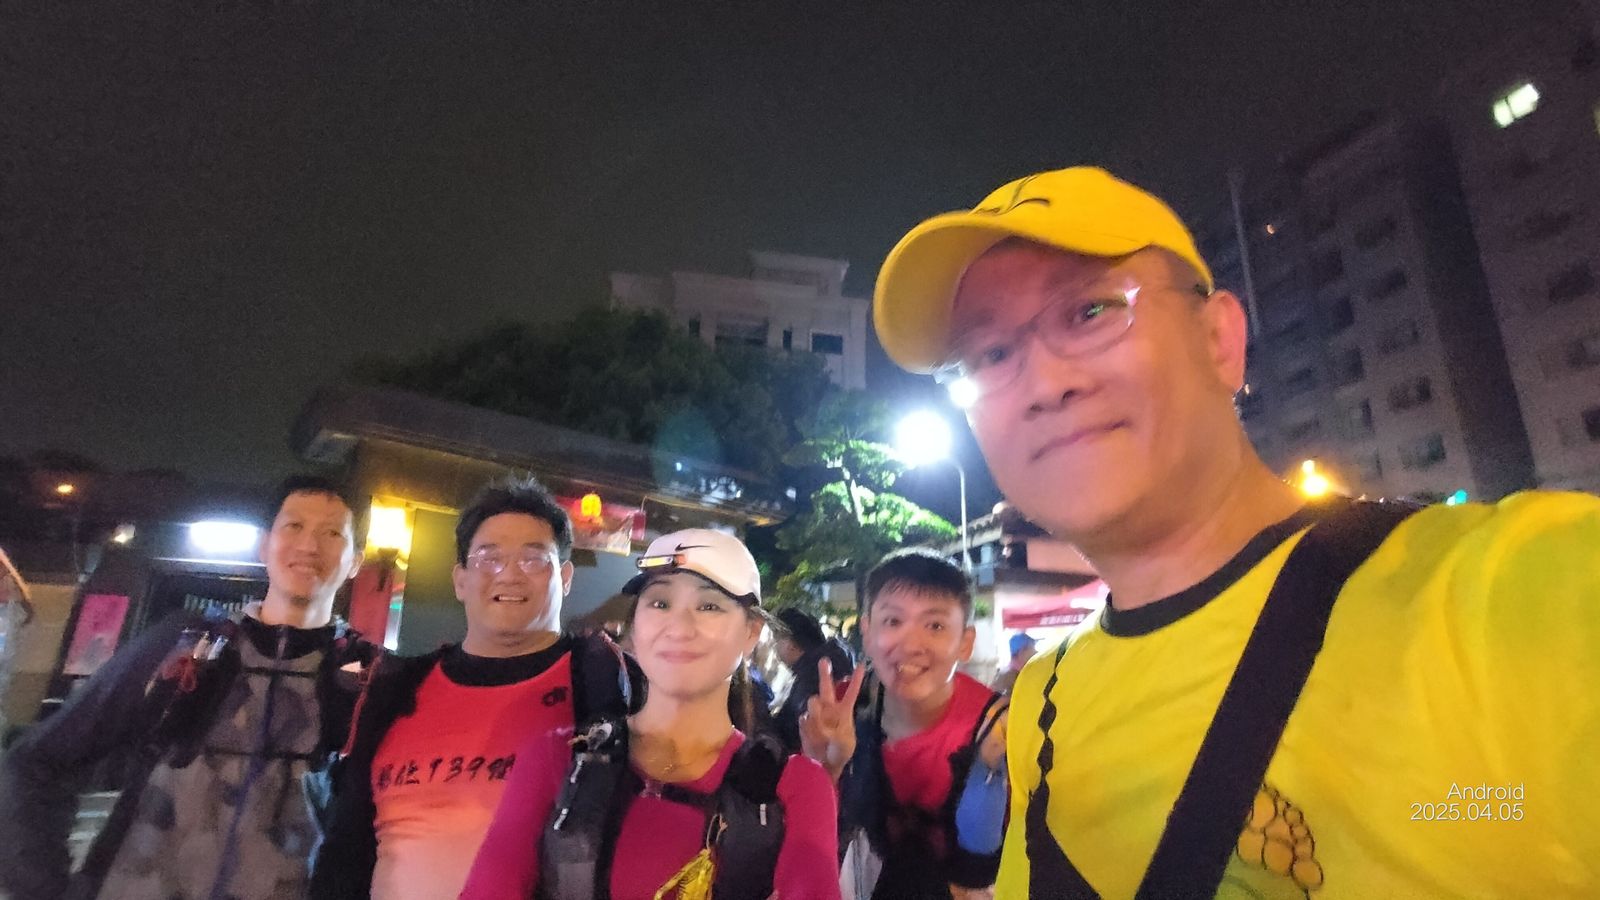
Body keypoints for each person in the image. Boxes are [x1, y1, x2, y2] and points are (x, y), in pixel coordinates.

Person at [872, 165, 1600, 896]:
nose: (1045, 383)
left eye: (1091, 311)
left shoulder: (1514, 599)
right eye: (991, 356)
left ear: (1220, 339)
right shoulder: (1042, 703)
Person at [0, 474, 377, 900]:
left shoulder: (368, 679)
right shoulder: (184, 645)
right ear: (264, 546)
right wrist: (46, 888)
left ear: (355, 561)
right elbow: (37, 762)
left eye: (332, 533)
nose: (309, 546)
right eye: (294, 526)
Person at [460, 528, 844, 900]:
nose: (679, 626)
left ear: (751, 633)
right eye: (660, 603)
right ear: (635, 626)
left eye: (709, 606)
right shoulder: (558, 758)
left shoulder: (794, 787)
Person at [311, 475, 641, 900]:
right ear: (460, 580)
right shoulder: (396, 688)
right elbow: (345, 849)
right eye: (489, 558)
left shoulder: (604, 685)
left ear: (565, 577)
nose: (510, 574)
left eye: (533, 559)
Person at [806, 548, 1008, 900]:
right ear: (867, 632)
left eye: (935, 626)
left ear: (965, 643)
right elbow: (807, 847)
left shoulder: (999, 727)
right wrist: (823, 770)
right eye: (893, 622)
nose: (912, 645)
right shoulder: (839, 710)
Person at [770, 606, 854, 754]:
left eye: (777, 640)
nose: (774, 647)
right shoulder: (831, 662)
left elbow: (794, 732)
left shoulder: (813, 676)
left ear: (791, 644)